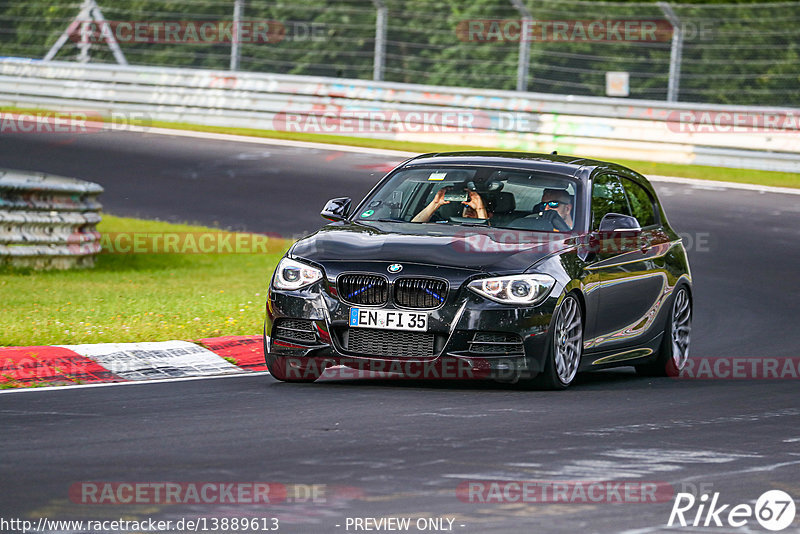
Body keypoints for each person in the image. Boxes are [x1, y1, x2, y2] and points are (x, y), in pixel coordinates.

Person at [412, 187, 491, 223]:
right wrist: (435, 204)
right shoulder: (447, 225)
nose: (469, 210)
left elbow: (487, 237)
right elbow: (413, 228)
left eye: (474, 208)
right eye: (466, 206)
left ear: (489, 215)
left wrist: (480, 209)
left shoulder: (497, 233)